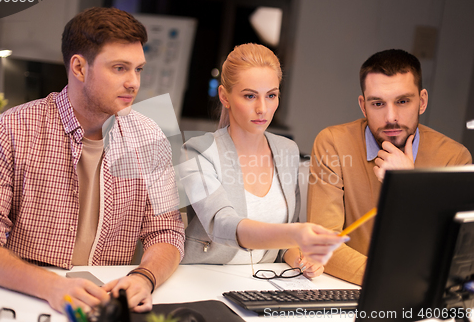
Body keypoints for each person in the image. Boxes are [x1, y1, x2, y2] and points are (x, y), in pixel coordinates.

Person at [0, 7, 185, 313]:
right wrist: (50, 286)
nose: (133, 83)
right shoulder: (10, 130)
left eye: (138, 69)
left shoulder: (151, 136)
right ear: (79, 67)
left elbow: (166, 231)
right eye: (120, 68)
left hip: (108, 303)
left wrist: (144, 277)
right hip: (27, 297)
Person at [179, 43, 348, 276]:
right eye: (250, 96)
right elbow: (222, 223)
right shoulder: (197, 152)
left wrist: (300, 259)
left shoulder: (287, 150)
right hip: (202, 278)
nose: (262, 109)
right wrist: (295, 234)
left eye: (271, 95)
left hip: (261, 281)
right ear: (224, 96)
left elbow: (283, 245)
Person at [307, 49, 472, 285]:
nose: (391, 117)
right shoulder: (333, 143)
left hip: (419, 302)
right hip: (347, 288)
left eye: (403, 101)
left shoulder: (454, 158)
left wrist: (408, 186)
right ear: (363, 106)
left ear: (422, 101)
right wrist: (391, 281)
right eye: (378, 103)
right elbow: (323, 245)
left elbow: (452, 258)